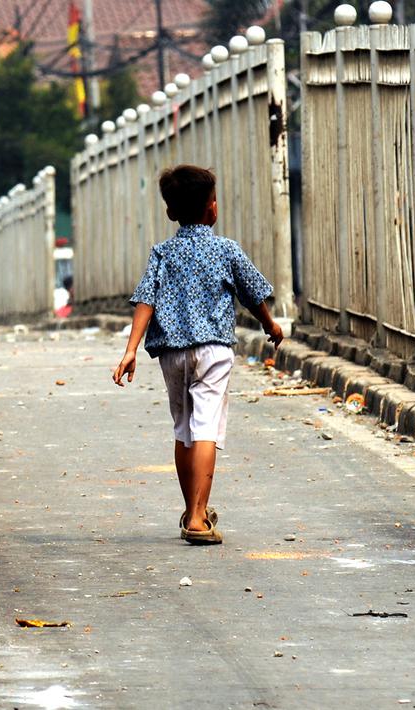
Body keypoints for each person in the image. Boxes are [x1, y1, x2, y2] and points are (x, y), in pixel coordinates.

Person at [112, 165, 283, 546]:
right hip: (213, 351)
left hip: (172, 354)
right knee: (206, 428)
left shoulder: (162, 252)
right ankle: (196, 518)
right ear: (213, 209)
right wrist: (270, 325)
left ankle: (195, 511)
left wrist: (130, 350)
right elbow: (253, 295)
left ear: (171, 212)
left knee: (183, 429)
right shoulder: (225, 249)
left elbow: (146, 299)